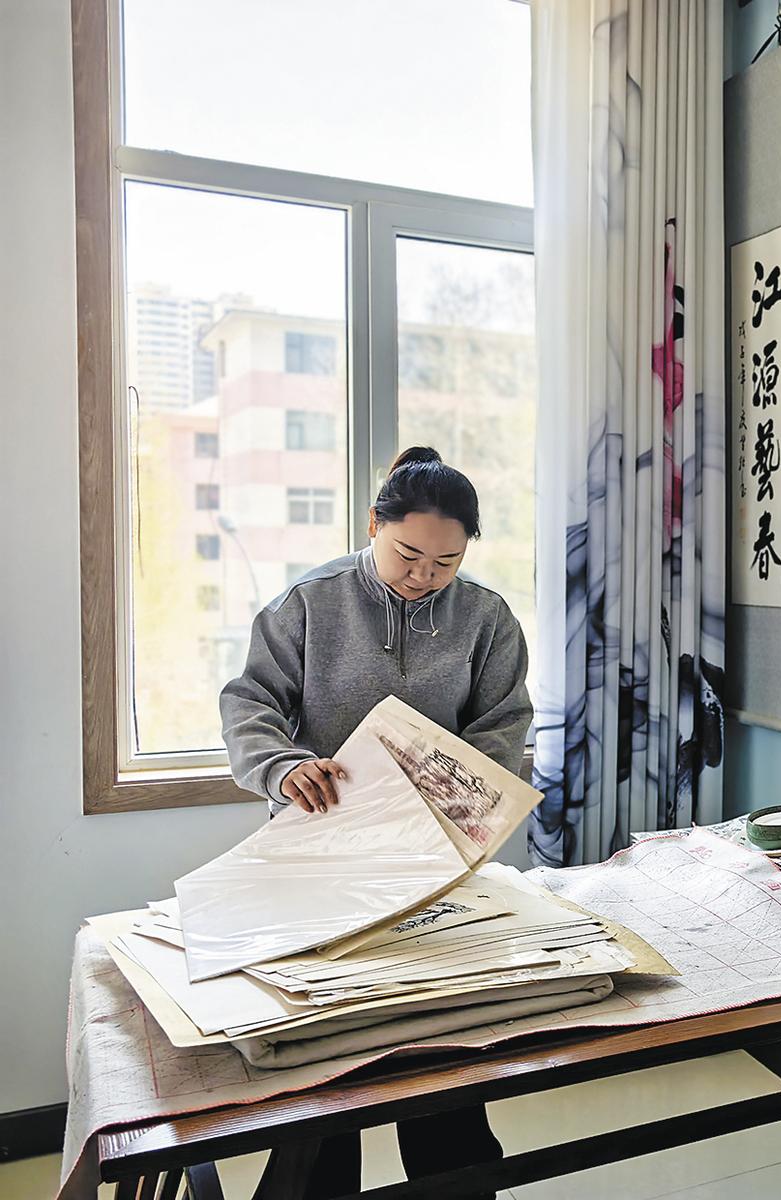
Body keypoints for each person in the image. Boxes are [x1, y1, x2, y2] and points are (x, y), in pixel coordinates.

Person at [220, 446, 532, 1198]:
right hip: (320, 852)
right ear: (373, 525)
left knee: (443, 1058)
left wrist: (456, 790)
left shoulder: (486, 617)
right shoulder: (310, 603)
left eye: (447, 562)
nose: (424, 575)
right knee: (329, 1065)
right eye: (407, 555)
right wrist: (285, 766)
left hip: (433, 858)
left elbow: (502, 723)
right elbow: (249, 704)